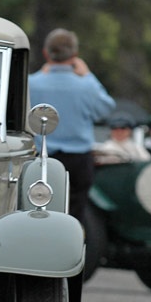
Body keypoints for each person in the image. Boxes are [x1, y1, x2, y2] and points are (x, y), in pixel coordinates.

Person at [28, 28, 115, 226]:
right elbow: (106, 108)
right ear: (75, 55)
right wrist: (89, 75)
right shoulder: (86, 86)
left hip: (44, 158)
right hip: (78, 161)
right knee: (75, 217)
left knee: (38, 213)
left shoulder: (33, 83)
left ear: (46, 53)